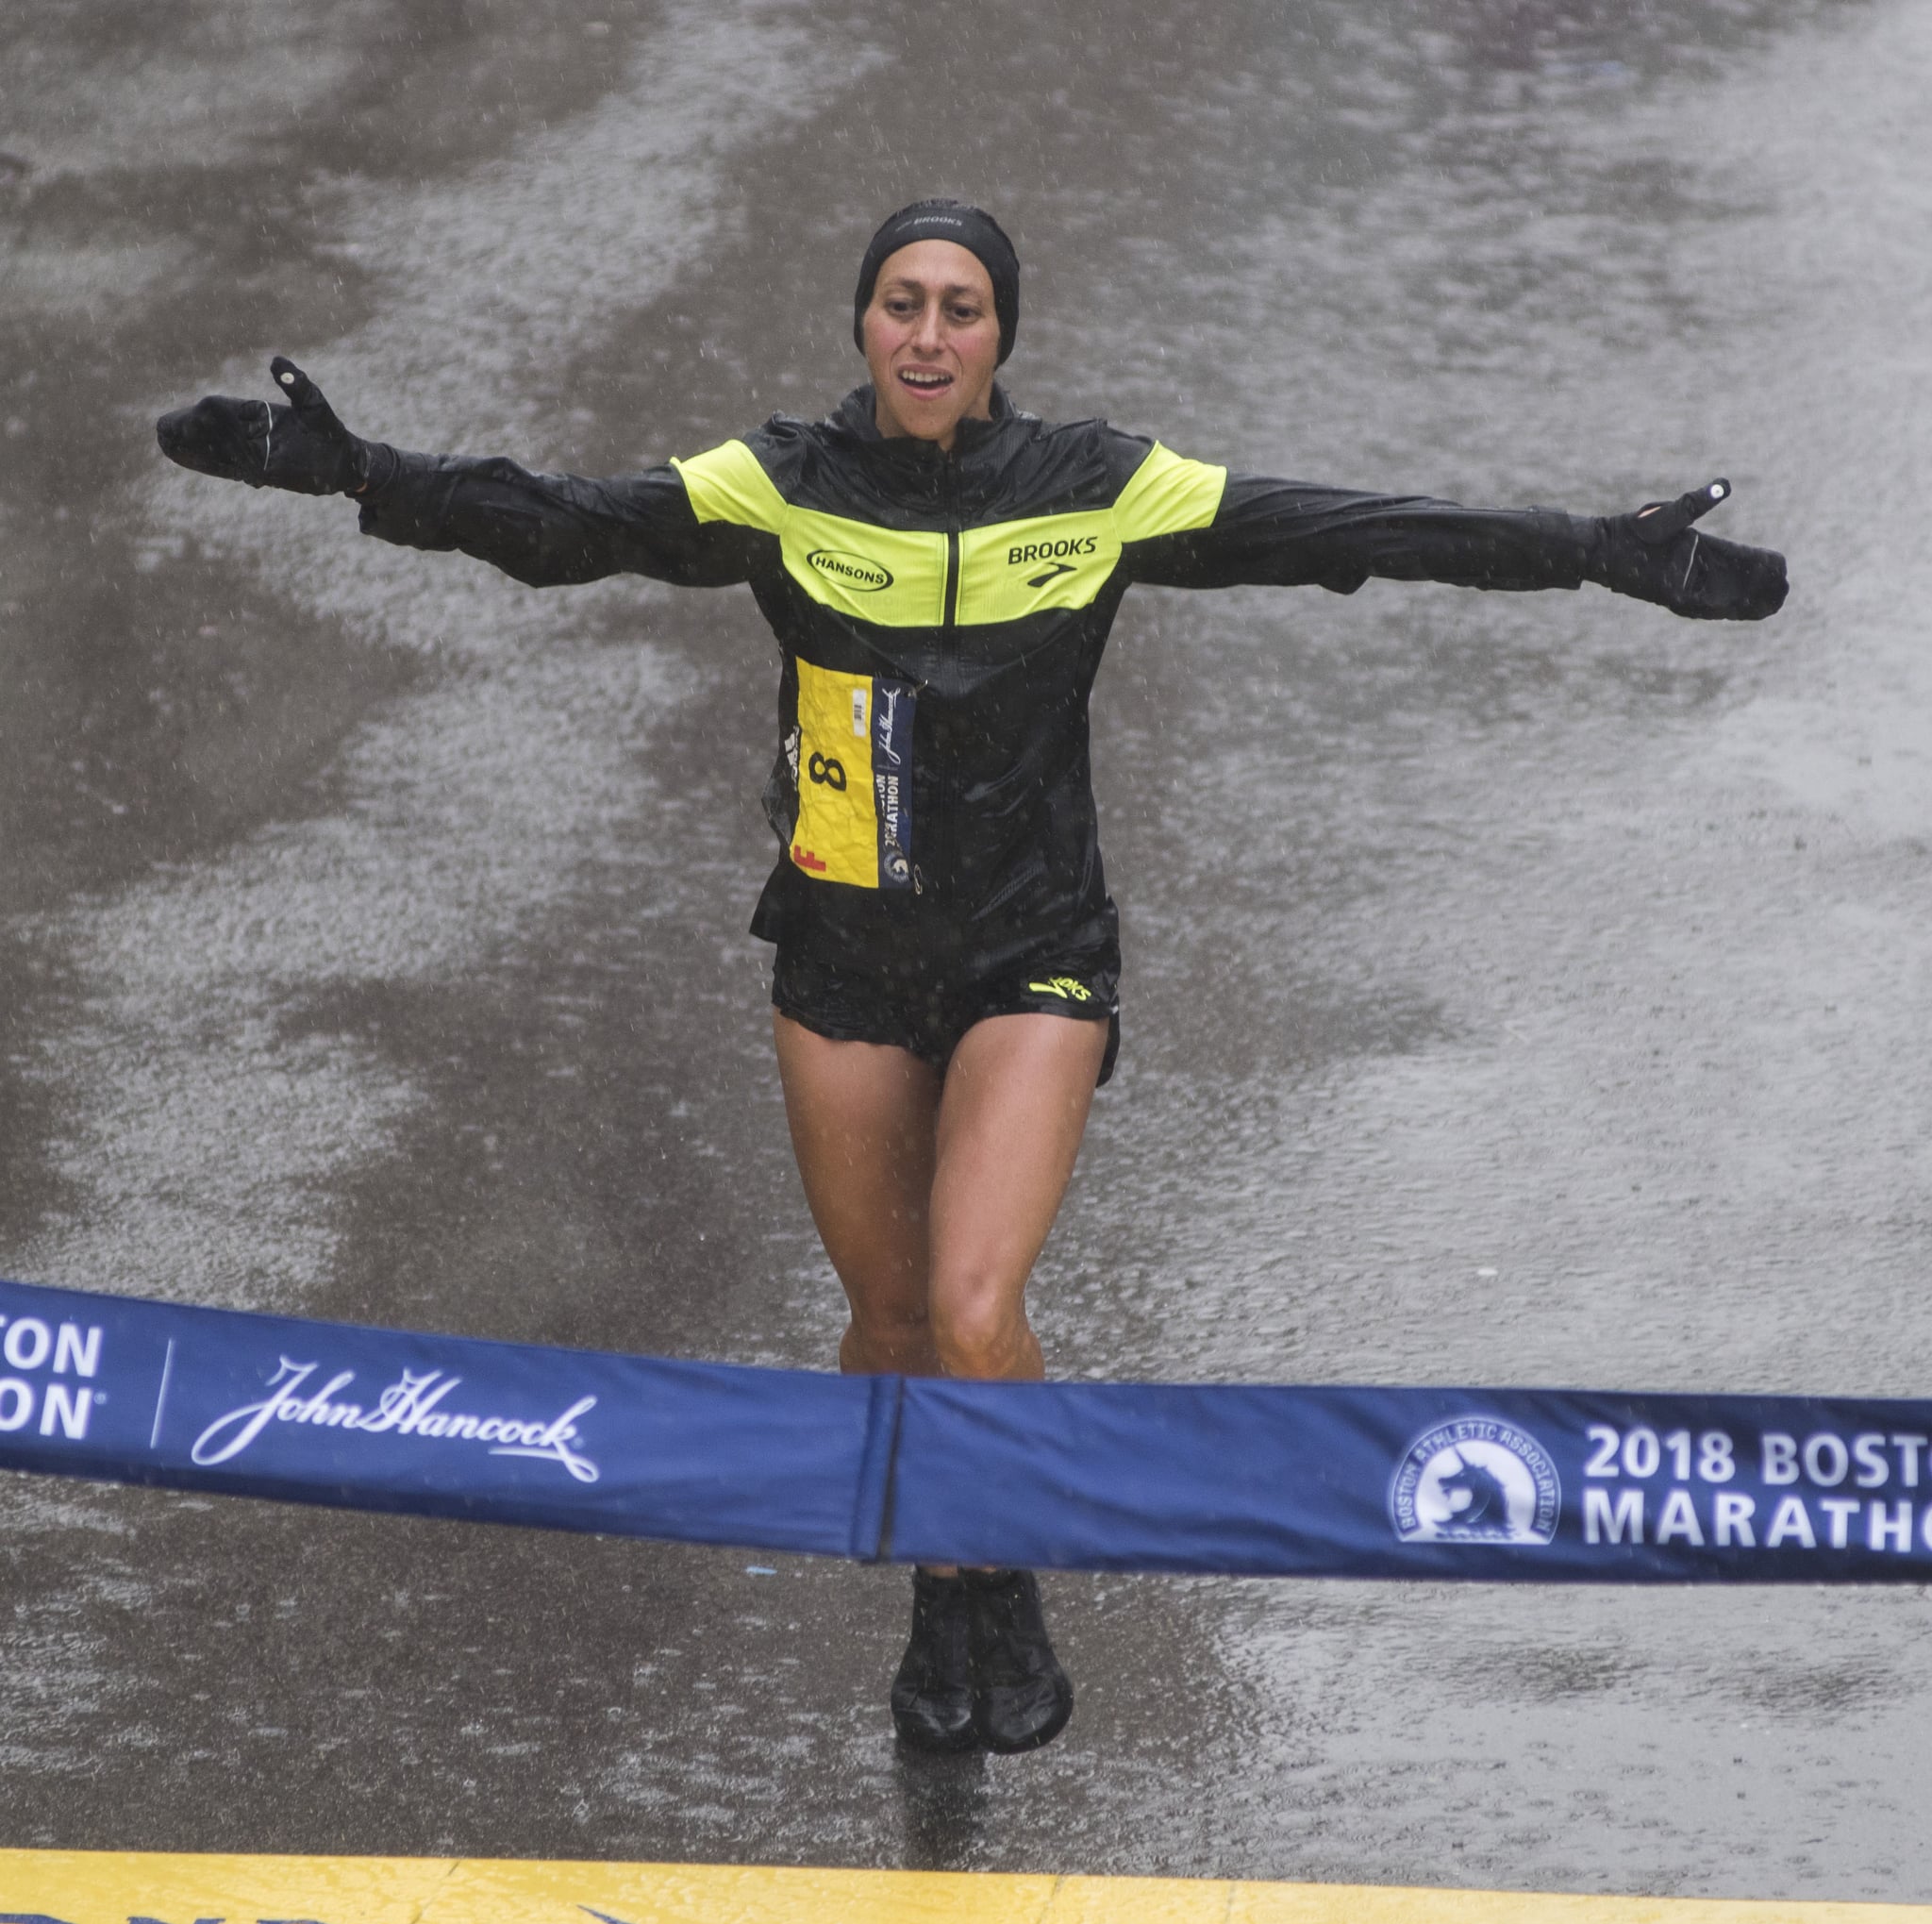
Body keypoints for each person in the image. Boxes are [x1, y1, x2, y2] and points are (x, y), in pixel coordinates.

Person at [157, 198, 1788, 1760]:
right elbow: (561, 524)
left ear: (1001, 336)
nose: (928, 334)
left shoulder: (1095, 485)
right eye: (901, 303)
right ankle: (956, 1585)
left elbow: (1348, 530)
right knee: (882, 1324)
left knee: (971, 1303)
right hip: (844, 959)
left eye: (963, 309)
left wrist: (1593, 549)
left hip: (1032, 958)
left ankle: (995, 1571)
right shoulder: (777, 481)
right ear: (863, 324)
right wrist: (355, 470)